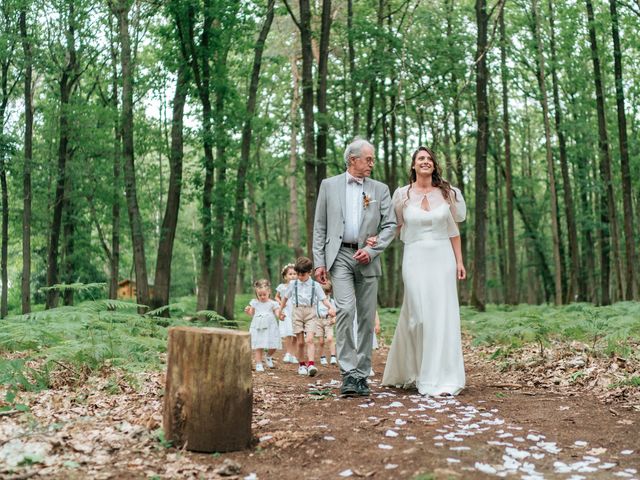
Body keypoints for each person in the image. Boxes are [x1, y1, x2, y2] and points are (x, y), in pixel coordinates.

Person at [313, 138, 397, 397]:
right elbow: (320, 226)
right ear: (353, 160)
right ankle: (348, 373)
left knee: (366, 318)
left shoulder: (380, 189)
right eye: (368, 159)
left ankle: (362, 375)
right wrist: (319, 262)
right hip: (339, 257)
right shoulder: (328, 185)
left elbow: (390, 224)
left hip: (368, 259)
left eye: (372, 159)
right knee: (346, 310)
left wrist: (372, 249)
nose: (372, 163)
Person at [381, 146, 467, 397]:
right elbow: (394, 227)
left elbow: (453, 230)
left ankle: (438, 376)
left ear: (434, 164)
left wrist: (459, 262)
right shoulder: (402, 195)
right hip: (415, 256)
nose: (425, 161)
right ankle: (414, 369)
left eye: (429, 158)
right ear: (413, 165)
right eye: (421, 158)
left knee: (442, 316)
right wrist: (375, 244)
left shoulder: (447, 193)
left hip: (443, 257)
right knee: (418, 315)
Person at [280, 257, 335, 377]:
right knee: (300, 343)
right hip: (297, 312)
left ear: (310, 272)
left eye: (302, 274)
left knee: (309, 339)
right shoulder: (293, 284)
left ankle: (311, 364)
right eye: (298, 274)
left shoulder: (315, 285)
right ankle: (301, 365)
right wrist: (280, 311)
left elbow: (323, 299)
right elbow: (285, 298)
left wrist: (331, 307)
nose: (299, 276)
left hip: (311, 312)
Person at [244, 280, 282, 373]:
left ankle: (268, 356)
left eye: (264, 294)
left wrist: (280, 315)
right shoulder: (254, 303)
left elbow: (277, 313)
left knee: (273, 344)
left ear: (269, 292)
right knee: (259, 345)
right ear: (256, 294)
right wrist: (247, 311)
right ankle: (259, 363)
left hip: (270, 325)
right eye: (259, 295)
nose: (262, 297)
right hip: (258, 326)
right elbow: (251, 313)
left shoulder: (273, 303)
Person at [275, 263, 299, 364]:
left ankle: (294, 355)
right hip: (286, 311)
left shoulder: (298, 286)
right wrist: (280, 303)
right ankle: (288, 353)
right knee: (288, 333)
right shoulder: (282, 287)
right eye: (290, 274)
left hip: (296, 311)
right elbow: (276, 297)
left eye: (294, 273)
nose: (293, 276)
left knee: (296, 334)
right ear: (285, 276)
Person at [316, 280, 337, 366]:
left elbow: (336, 312)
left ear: (330, 292)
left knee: (330, 338)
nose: (325, 295)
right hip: (318, 321)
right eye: (323, 293)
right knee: (321, 341)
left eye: (327, 293)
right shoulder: (316, 301)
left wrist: (335, 318)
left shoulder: (332, 302)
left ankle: (333, 356)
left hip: (328, 320)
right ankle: (322, 357)